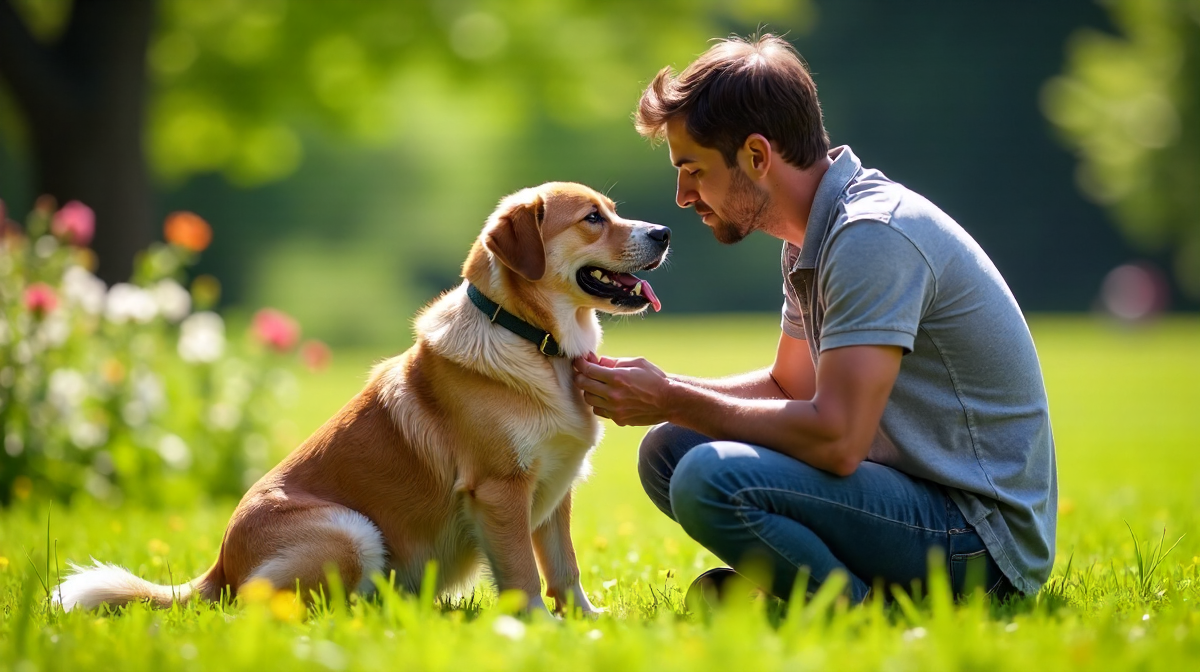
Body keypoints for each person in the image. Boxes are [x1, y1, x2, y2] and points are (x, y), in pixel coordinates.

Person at [571, 34, 1056, 605]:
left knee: (708, 477)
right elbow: (789, 386)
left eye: (693, 169)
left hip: (980, 543)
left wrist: (672, 396)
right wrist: (654, 389)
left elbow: (836, 439)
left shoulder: (871, 238)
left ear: (757, 156)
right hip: (909, 499)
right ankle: (815, 591)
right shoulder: (811, 236)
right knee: (669, 450)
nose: (681, 195)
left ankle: (851, 608)